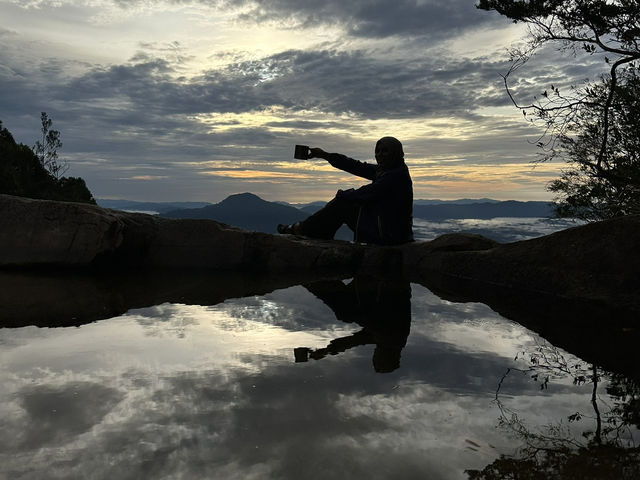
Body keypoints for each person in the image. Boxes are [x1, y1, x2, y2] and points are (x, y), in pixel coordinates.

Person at [278, 136, 414, 245]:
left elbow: (366, 193)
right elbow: (355, 166)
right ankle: (308, 231)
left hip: (389, 234)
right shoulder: (387, 170)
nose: (380, 155)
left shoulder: (396, 175)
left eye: (385, 150)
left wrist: (342, 195)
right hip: (388, 229)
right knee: (343, 203)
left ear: (397, 152)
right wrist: (324, 155)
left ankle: (301, 229)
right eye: (377, 151)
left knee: (343, 204)